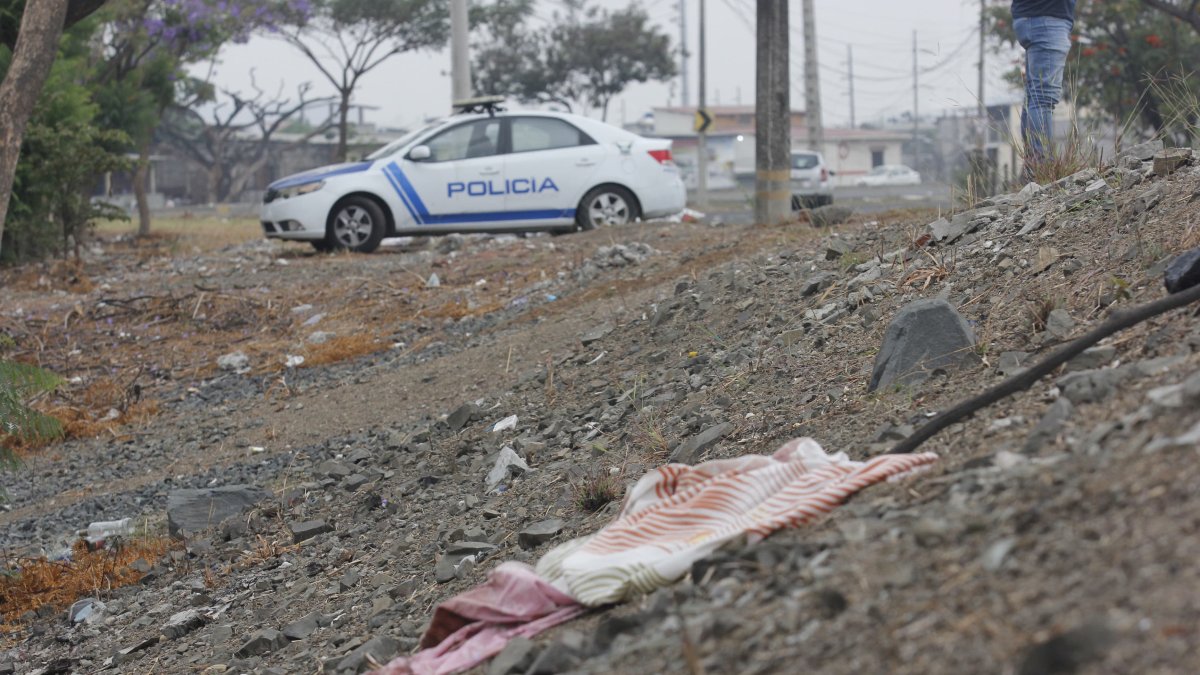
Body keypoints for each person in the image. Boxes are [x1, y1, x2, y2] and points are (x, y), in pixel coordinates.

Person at [1012, 0, 1076, 177]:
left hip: (1034, 17)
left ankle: (1033, 164)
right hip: (1047, 19)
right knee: (1042, 98)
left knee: (1035, 95)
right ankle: (1041, 166)